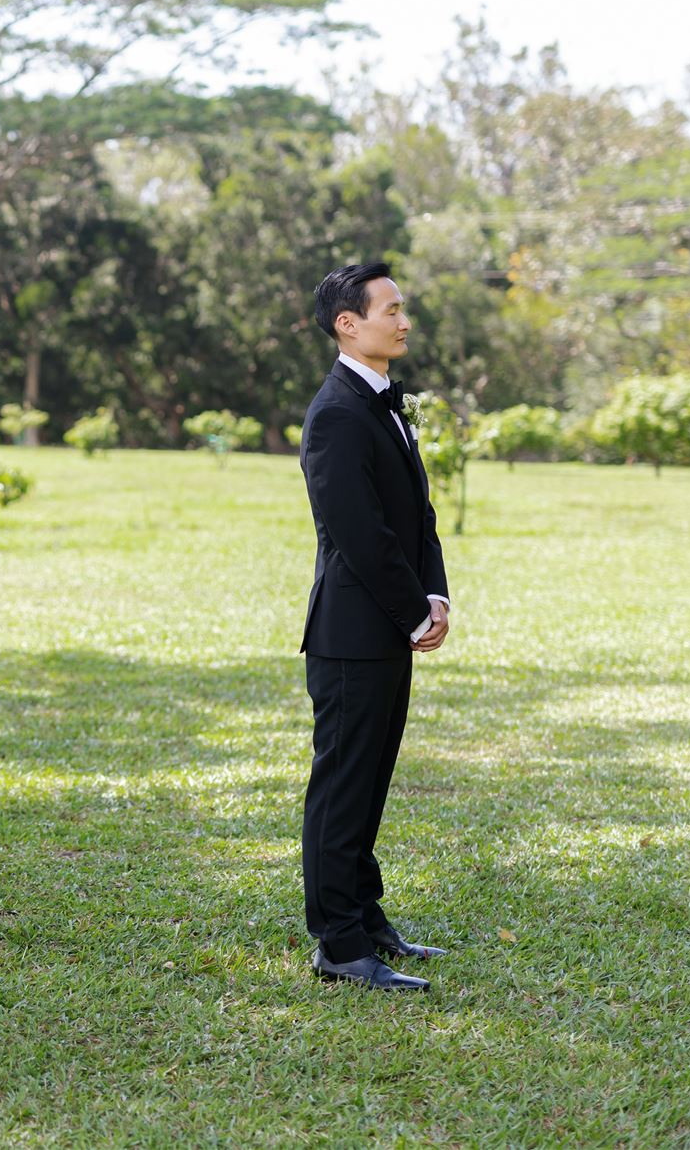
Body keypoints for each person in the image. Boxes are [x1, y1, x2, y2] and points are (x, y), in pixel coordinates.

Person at [296, 262, 452, 992]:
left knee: (372, 785)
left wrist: (435, 591)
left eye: (403, 307)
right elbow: (358, 535)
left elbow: (415, 516)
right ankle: (339, 942)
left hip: (389, 629)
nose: (404, 319)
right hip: (352, 635)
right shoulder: (335, 412)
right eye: (390, 308)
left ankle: (370, 920)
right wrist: (413, 609)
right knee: (342, 789)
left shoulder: (387, 403)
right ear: (347, 324)